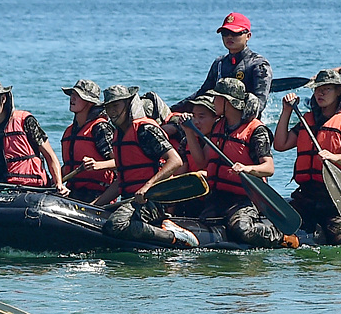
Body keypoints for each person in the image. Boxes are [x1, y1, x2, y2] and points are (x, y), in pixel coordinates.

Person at [183, 79, 294, 248]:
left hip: (245, 198)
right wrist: (189, 133)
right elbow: (202, 162)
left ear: (227, 102)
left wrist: (246, 168)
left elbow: (268, 168)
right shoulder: (218, 126)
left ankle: (280, 236)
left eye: (217, 98)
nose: (213, 102)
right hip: (218, 196)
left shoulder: (257, 131)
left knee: (241, 230)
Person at [95, 85, 198, 247]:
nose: (112, 112)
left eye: (116, 106)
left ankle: (173, 236)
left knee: (116, 225)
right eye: (108, 107)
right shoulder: (117, 136)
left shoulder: (145, 130)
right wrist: (94, 206)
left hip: (154, 200)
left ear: (128, 105)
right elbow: (121, 181)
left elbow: (175, 160)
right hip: (130, 199)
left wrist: (147, 186)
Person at [274, 70, 341, 245]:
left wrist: (333, 157)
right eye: (317, 89)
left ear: (338, 91)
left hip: (333, 198)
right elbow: (280, 145)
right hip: (306, 196)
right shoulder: (307, 121)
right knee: (275, 231)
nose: (320, 93)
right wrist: (286, 112)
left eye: (326, 89)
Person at [176, 12, 273, 114]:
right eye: (225, 33)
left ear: (248, 36)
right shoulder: (219, 63)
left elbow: (259, 103)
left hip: (244, 124)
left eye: (235, 33)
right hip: (216, 122)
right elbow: (203, 93)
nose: (229, 37)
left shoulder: (259, 65)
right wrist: (173, 110)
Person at [58, 80, 117, 203]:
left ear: (90, 102)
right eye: (72, 94)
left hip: (97, 196)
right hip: (72, 193)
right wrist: (57, 182)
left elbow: (121, 162)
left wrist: (97, 165)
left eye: (78, 96)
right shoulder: (70, 131)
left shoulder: (100, 129)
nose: (72, 98)